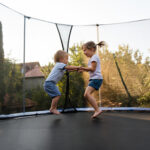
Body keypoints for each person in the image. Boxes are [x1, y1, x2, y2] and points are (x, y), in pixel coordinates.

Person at [44, 50, 80, 115]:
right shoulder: (59, 64)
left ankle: (53, 108)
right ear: (61, 59)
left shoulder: (60, 65)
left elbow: (69, 69)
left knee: (56, 95)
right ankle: (52, 108)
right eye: (66, 59)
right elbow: (69, 67)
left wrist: (76, 69)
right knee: (57, 95)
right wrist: (78, 67)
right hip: (50, 83)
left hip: (51, 83)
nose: (67, 61)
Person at [80, 41, 106, 118]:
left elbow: (92, 69)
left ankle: (97, 110)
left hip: (96, 79)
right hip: (94, 79)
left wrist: (83, 68)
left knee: (87, 94)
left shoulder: (94, 57)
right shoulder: (93, 58)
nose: (84, 52)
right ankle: (97, 109)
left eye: (85, 50)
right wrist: (82, 69)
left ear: (91, 49)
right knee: (87, 94)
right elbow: (91, 69)